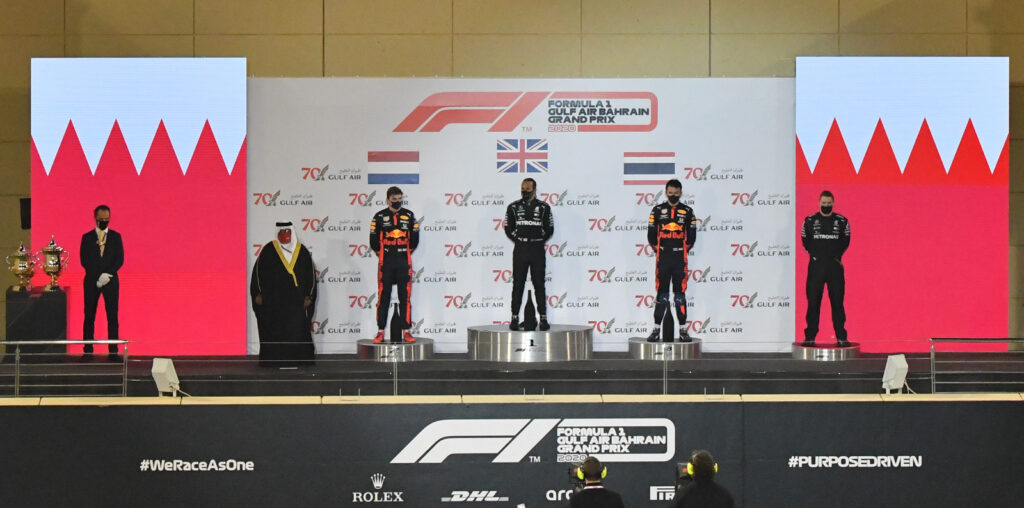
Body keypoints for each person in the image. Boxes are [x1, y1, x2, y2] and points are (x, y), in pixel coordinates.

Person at [250, 221, 318, 366]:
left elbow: (311, 277)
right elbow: (257, 275)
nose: (285, 234)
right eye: (282, 231)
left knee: (298, 331)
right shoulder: (268, 251)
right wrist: (257, 293)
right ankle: (273, 362)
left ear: (292, 232)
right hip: (274, 304)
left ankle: (300, 362)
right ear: (277, 233)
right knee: (273, 332)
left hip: (296, 304)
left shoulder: (302, 252)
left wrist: (309, 296)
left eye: (287, 231)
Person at [646, 179, 697, 342]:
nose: (673, 195)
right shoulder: (657, 210)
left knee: (680, 294)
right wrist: (660, 249)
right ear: (666, 192)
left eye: (676, 193)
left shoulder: (688, 211)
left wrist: (681, 249)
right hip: (663, 258)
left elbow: (692, 237)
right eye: (670, 193)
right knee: (662, 293)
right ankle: (656, 329)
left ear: (680, 193)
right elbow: (651, 235)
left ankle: (683, 330)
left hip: (679, 259)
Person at [801, 190, 851, 347]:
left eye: (829, 203)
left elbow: (846, 240)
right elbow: (805, 240)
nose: (826, 205)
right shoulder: (809, 220)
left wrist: (836, 256)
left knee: (837, 303)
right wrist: (816, 255)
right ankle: (810, 337)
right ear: (819, 203)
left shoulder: (842, 221)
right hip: (816, 267)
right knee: (813, 303)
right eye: (824, 203)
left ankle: (841, 337)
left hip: (835, 267)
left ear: (833, 203)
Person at [369, 186, 419, 343]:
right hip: (386, 262)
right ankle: (380, 331)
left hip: (404, 260)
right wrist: (383, 253)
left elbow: (415, 239)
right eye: (394, 199)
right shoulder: (379, 216)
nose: (397, 202)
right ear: (388, 199)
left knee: (405, 296)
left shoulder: (409, 215)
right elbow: (373, 241)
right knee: (383, 296)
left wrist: (404, 250)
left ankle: (406, 331)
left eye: (399, 199)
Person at [504, 177, 554, 331]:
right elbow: (508, 228)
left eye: (528, 189)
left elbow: (549, 229)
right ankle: (514, 318)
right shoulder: (513, 207)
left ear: (534, 190)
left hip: (537, 249)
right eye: (522, 189)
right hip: (521, 249)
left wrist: (538, 239)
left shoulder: (544, 207)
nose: (524, 192)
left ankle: (543, 318)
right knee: (518, 284)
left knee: (539, 283)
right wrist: (520, 240)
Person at [79, 204, 124, 360]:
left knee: (112, 316)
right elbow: (84, 260)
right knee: (89, 315)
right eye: (101, 219)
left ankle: (113, 351)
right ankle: (87, 350)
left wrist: (107, 274)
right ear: (95, 218)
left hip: (110, 281)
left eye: (107, 219)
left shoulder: (116, 237)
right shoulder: (87, 238)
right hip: (92, 281)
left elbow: (119, 259)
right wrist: (97, 276)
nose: (104, 222)